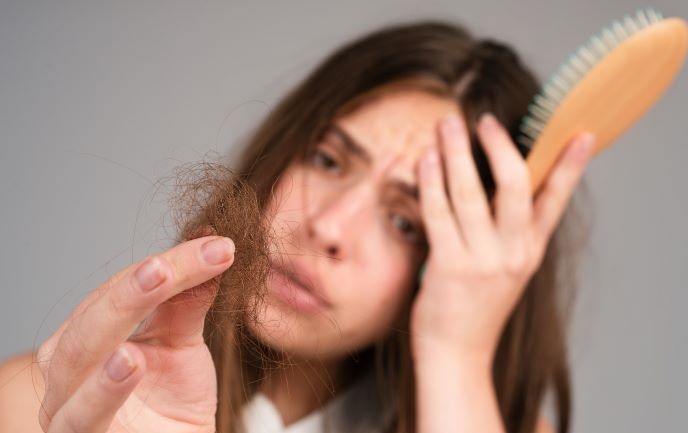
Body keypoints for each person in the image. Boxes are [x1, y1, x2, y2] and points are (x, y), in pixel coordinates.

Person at [0, 19, 595, 433]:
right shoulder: (56, 402)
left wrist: (455, 355)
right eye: (328, 160)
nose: (329, 228)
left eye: (405, 221)